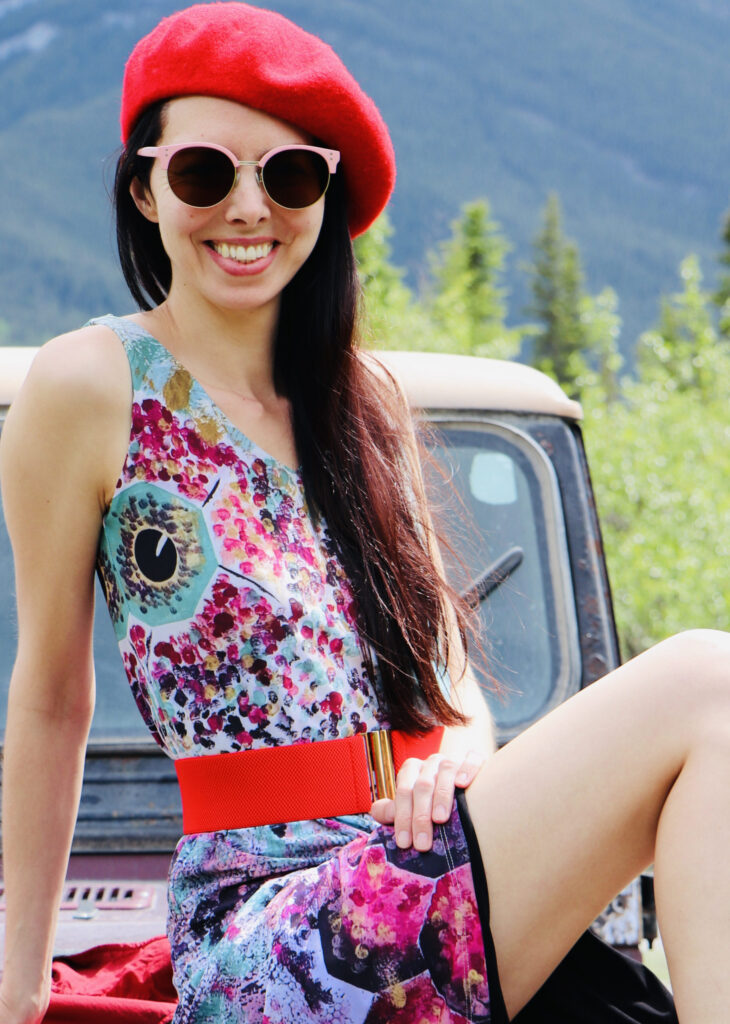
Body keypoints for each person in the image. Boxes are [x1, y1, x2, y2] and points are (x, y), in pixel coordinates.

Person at [0, 4, 728, 1022]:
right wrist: (19, 979)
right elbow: (49, 695)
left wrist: (468, 750)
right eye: (207, 173)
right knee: (709, 675)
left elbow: (447, 678)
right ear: (145, 186)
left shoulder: (364, 406)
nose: (248, 208)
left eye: (288, 175)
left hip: (419, 861)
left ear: (324, 199)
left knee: (714, 712)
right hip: (268, 928)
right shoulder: (93, 384)